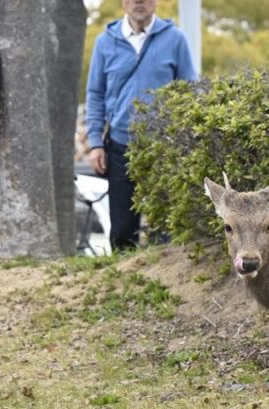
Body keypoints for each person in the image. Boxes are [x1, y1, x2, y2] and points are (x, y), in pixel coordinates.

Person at [85, 0, 197, 250]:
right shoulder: (105, 42)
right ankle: (123, 283)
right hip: (119, 146)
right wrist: (95, 143)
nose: (139, 2)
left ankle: (164, 283)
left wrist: (185, 142)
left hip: (164, 148)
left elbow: (190, 91)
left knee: (166, 229)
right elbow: (95, 94)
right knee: (123, 230)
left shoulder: (175, 39)